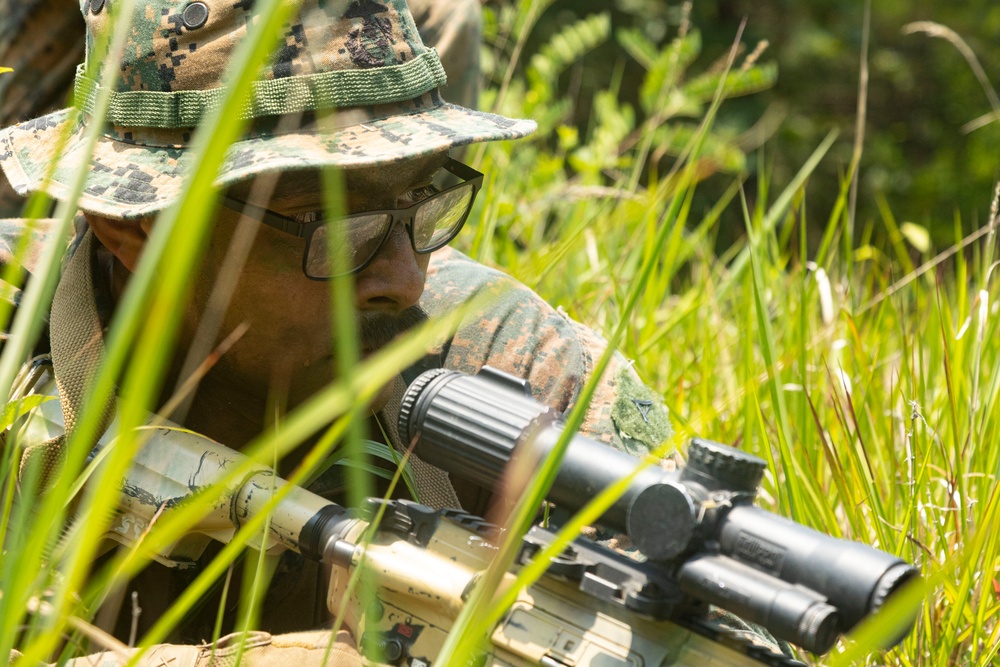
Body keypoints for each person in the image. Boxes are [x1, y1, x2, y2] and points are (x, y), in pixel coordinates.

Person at [0, 0, 700, 663]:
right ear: (132, 225)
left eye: (425, 200)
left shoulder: (523, 373)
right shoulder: (14, 346)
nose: (406, 281)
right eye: (335, 228)